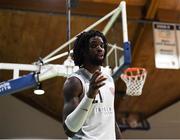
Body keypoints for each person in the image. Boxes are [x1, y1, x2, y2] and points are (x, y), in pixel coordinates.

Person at [62, 30, 122, 139]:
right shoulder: (74, 82)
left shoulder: (108, 79)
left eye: (102, 45)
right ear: (83, 51)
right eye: (94, 45)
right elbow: (69, 130)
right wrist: (90, 95)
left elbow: (110, 118)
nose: (100, 48)